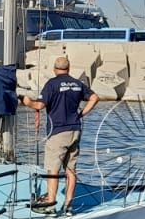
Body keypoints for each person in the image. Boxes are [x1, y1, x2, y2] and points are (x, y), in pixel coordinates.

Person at [21, 55, 98, 210]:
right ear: (69, 68)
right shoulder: (77, 84)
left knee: (53, 169)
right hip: (75, 130)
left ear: (55, 69)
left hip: (58, 133)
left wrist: (27, 101)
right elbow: (95, 97)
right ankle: (69, 205)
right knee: (71, 169)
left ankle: (50, 203)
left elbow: (39, 105)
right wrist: (82, 113)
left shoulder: (52, 84)